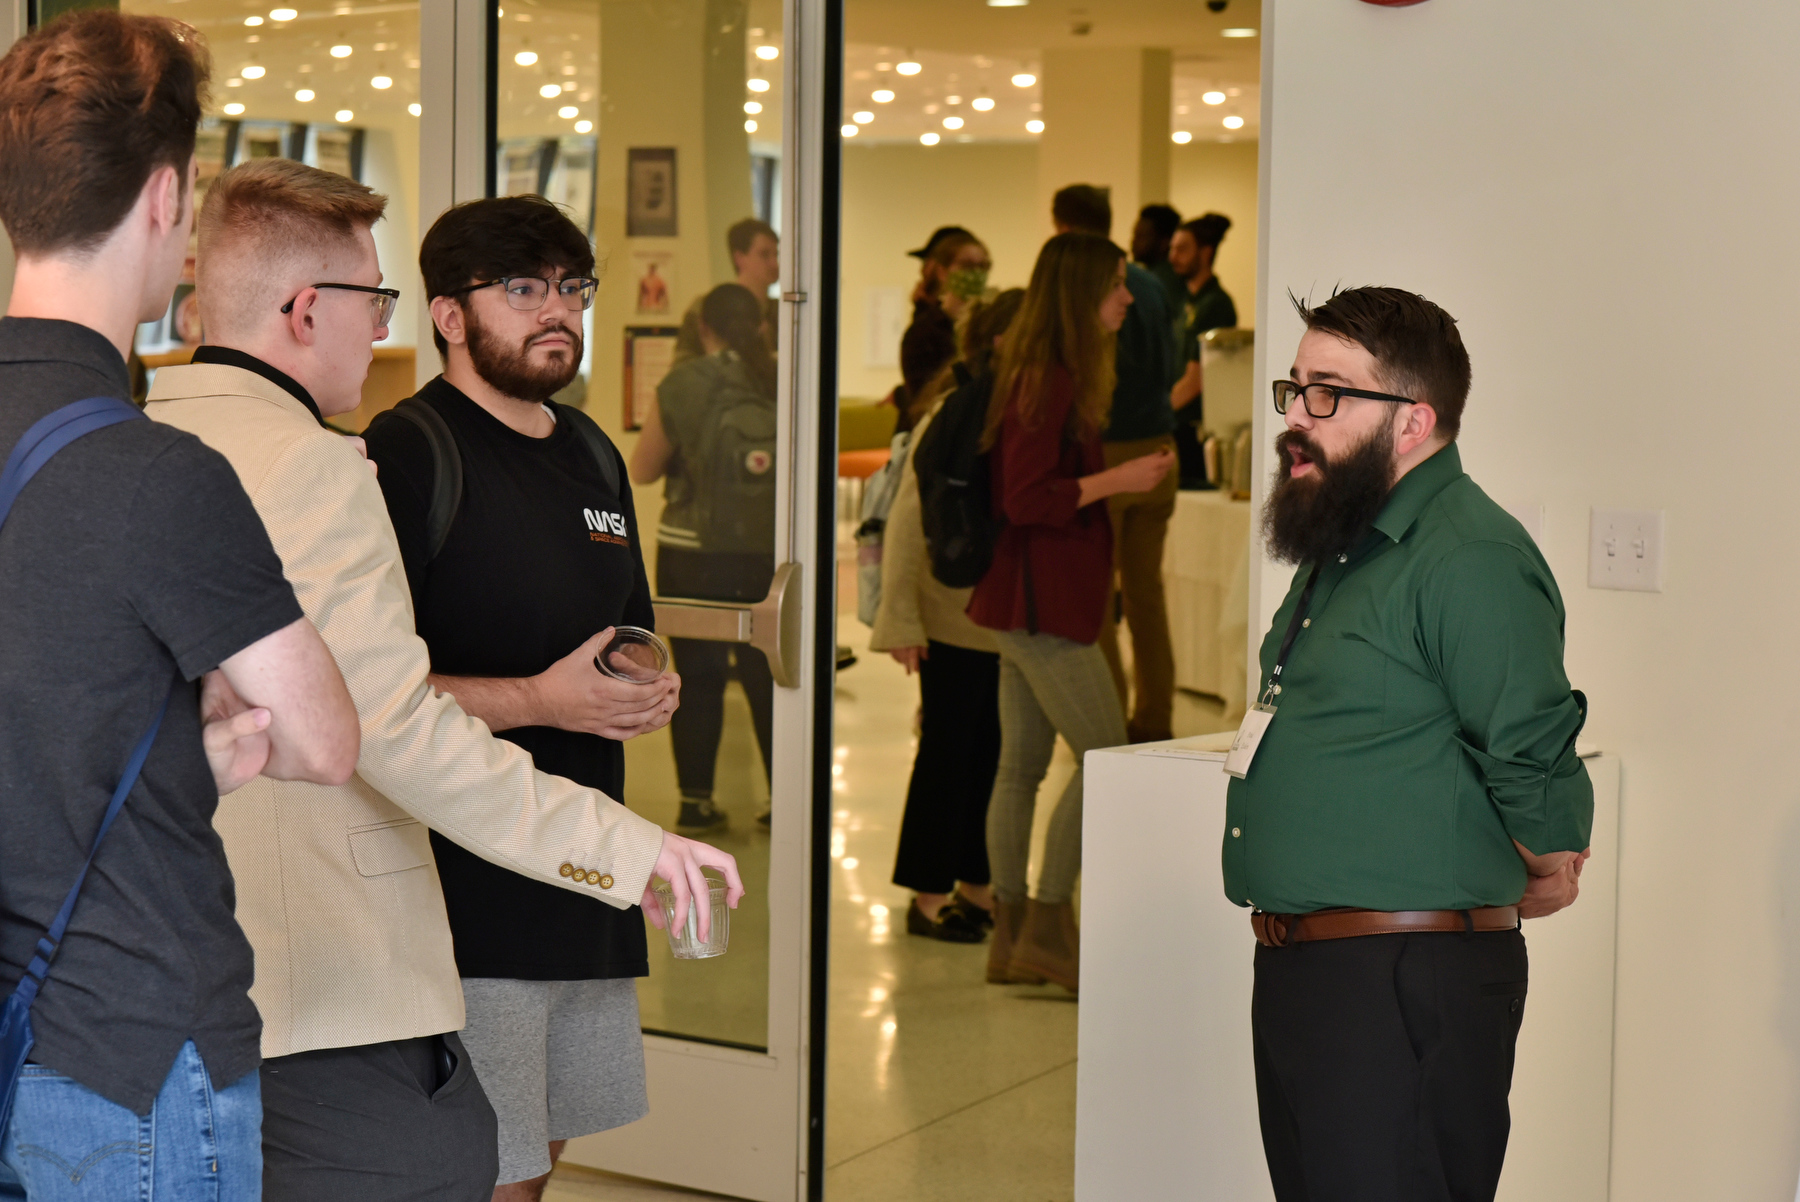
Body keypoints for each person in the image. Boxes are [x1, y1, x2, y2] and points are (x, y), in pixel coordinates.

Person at [148, 159, 741, 1202]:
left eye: (572, 286)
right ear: (308, 309)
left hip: (172, 955)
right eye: (373, 302)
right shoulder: (361, 462)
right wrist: (623, 834)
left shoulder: (135, 432)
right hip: (389, 933)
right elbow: (388, 720)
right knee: (464, 1163)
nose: (379, 333)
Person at [0, 13, 361, 1198]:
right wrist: (205, 736)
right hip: (130, 1059)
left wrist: (163, 752)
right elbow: (319, 737)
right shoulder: (158, 472)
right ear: (168, 199)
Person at [359, 195, 738, 1202]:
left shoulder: (590, 448)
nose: (556, 310)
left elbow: (628, 630)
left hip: (581, 865)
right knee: (493, 1167)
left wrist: (641, 686)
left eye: (572, 288)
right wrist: (540, 699)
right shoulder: (408, 452)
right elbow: (360, 693)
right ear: (449, 313)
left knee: (550, 1150)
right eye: (523, 288)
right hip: (465, 884)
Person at [1235, 287, 1593, 1201]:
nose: (1297, 417)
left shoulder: (1467, 554)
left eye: (1330, 393)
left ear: (1413, 421)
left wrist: (1545, 857)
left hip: (1400, 980)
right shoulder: (1349, 542)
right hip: (1313, 972)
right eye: (1295, 388)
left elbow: (1529, 754)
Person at [967, 233, 1174, 993]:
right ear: (1086, 291)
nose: (1127, 297)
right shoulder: (1049, 381)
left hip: (1026, 599)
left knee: (1019, 768)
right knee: (1106, 758)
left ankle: (1014, 936)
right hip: (1040, 603)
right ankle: (1049, 923)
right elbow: (1025, 499)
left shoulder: (1048, 375)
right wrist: (1119, 476)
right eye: (1118, 285)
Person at [870, 289, 1025, 943]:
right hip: (949, 614)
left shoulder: (1007, 406)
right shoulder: (956, 409)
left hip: (994, 620)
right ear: (998, 342)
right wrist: (899, 620)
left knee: (990, 752)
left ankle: (976, 885)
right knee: (948, 754)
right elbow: (908, 518)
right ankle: (929, 896)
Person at [629, 283, 780, 833]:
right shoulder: (781, 378)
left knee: (698, 675)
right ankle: (781, 797)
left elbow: (643, 469)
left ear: (705, 329)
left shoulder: (682, 383)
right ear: (761, 325)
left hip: (691, 554)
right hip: (766, 553)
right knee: (767, 672)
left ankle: (696, 800)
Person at [1051, 185, 1181, 744]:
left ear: (1065, 228)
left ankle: (1106, 727)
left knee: (1097, 595)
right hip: (1162, 446)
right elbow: (1175, 363)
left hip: (1108, 455)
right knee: (1147, 596)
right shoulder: (1151, 284)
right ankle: (1154, 721)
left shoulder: (1094, 285)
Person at [896, 225, 991, 432]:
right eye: (967, 265)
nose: (976, 273)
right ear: (942, 271)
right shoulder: (924, 331)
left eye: (983, 266)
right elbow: (922, 398)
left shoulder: (990, 325)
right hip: (934, 431)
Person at [674, 217, 779, 362]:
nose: (775, 264)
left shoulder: (783, 311)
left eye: (776, 255)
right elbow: (682, 367)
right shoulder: (705, 308)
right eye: (764, 255)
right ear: (739, 258)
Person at [1131, 202, 1185, 313]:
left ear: (1164, 243)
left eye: (1141, 236)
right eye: (1134, 235)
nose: (1133, 242)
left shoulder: (1156, 281)